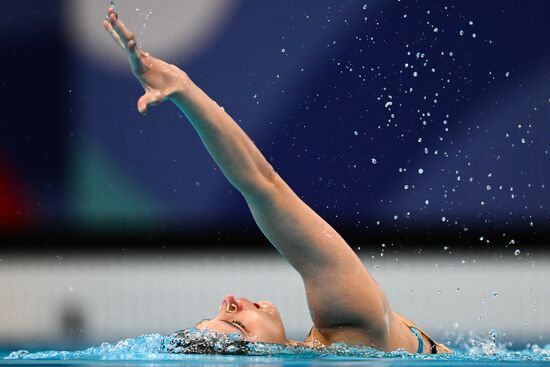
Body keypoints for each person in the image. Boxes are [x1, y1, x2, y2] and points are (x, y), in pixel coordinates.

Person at [103, 7, 452, 354]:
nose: (227, 301)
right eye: (234, 323)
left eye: (217, 314)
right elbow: (263, 185)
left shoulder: (328, 342)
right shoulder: (349, 324)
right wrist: (184, 90)